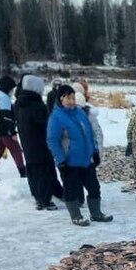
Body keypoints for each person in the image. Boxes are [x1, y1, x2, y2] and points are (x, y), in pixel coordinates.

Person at [46, 84, 112, 226]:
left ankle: (96, 213)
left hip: (85, 160)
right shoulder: (56, 117)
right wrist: (61, 160)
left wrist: (94, 152)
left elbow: (89, 134)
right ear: (61, 99)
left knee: (94, 187)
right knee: (71, 190)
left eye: (73, 97)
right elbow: (52, 140)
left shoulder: (80, 113)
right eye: (68, 98)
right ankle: (76, 216)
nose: (71, 101)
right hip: (69, 162)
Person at [13, 74, 62, 210]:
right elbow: (45, 125)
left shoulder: (19, 102)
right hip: (40, 143)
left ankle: (38, 196)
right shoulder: (36, 105)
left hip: (27, 142)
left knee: (33, 169)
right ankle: (44, 199)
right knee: (45, 170)